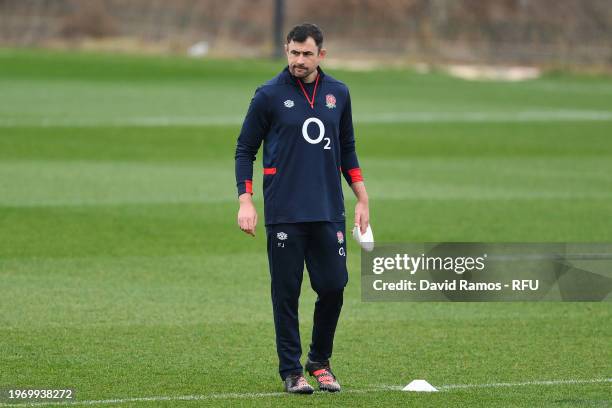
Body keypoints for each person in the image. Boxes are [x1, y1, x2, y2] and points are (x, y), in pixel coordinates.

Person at [234, 22, 369, 394]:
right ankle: (292, 371)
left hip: (328, 210)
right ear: (286, 51)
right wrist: (245, 200)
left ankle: (319, 361)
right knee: (286, 293)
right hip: (285, 212)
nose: (299, 60)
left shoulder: (338, 94)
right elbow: (245, 149)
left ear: (321, 55)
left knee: (334, 286)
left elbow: (348, 148)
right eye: (293, 52)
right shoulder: (268, 95)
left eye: (307, 53)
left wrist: (362, 197)